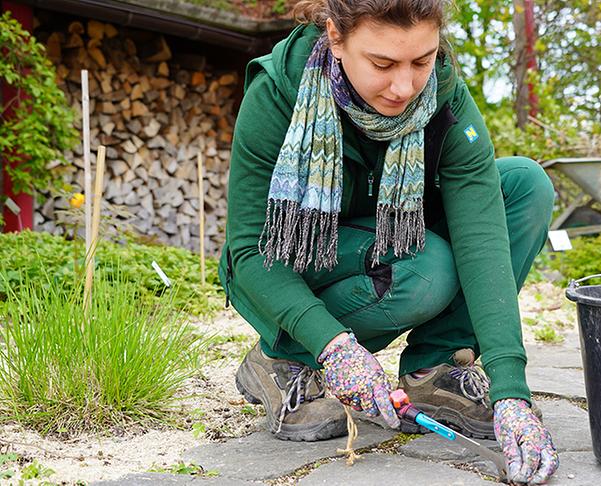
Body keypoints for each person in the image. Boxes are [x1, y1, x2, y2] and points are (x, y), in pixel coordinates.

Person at [218, 0, 558, 483]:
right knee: (426, 269)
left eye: (422, 61)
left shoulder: (444, 95)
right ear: (336, 37)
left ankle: (435, 369)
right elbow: (248, 252)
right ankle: (286, 357)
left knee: (524, 186)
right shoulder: (277, 92)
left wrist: (512, 392)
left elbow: (484, 237)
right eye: (383, 64)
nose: (405, 87)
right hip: (300, 263)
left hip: (395, 241)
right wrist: (333, 347)